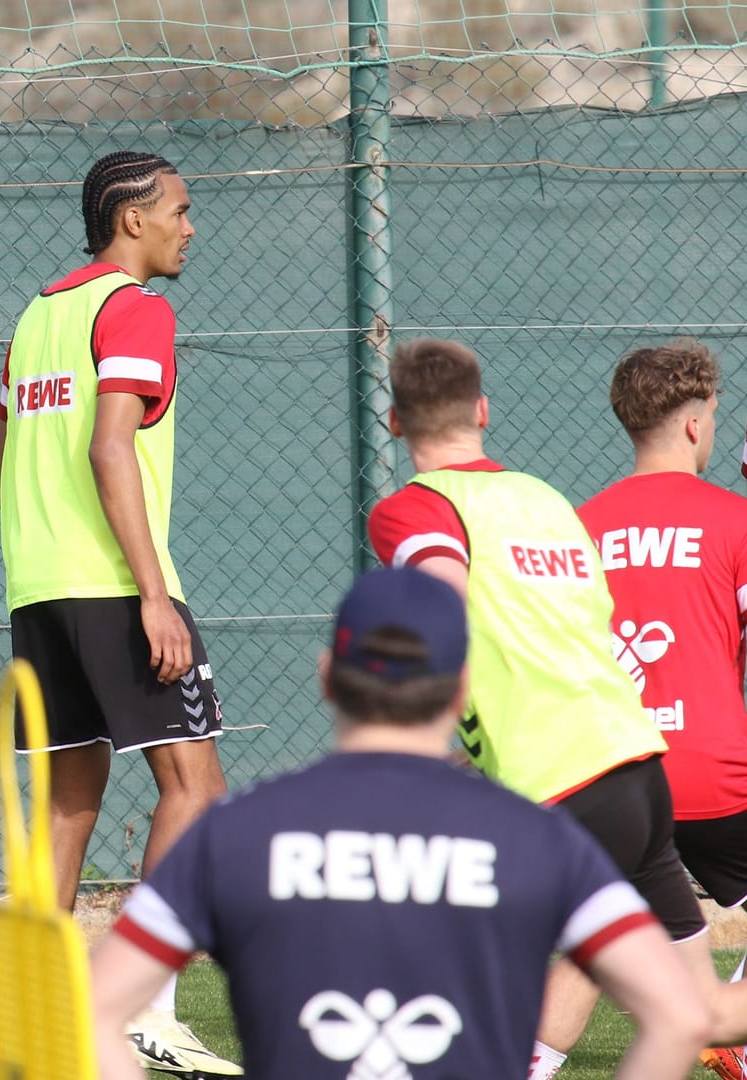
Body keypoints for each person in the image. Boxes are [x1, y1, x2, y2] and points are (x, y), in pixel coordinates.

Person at [91, 566, 708, 1079]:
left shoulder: (236, 832)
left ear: (327, 677)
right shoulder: (538, 839)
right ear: (462, 687)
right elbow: (679, 1016)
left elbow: (93, 1010)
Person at [364, 337, 747, 1078]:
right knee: (695, 1008)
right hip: (633, 763)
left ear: (392, 423)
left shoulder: (421, 508)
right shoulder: (539, 499)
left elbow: (442, 595)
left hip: (559, 774)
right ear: (483, 410)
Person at [0, 150, 236, 1076]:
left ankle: (33, 1033)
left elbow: (0, 474)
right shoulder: (136, 310)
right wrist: (153, 592)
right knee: (196, 792)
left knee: (65, 810)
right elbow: (109, 448)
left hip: (37, 590)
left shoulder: (37, 315)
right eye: (179, 206)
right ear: (131, 219)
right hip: (117, 589)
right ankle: (141, 1013)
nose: (189, 225)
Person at [578, 339, 747, 1079]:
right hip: (718, 775)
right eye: (712, 412)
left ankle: (529, 1059)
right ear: (692, 425)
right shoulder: (733, 521)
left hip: (616, 774)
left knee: (592, 939)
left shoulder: (578, 528)